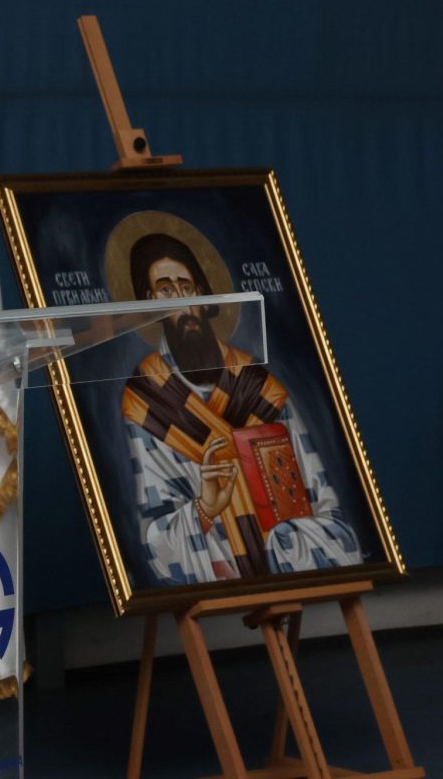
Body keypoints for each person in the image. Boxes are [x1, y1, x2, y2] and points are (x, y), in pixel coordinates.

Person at [118, 232, 361, 586]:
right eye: (166, 290)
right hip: (217, 562)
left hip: (284, 556)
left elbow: (322, 502)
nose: (183, 302)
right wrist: (204, 509)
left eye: (187, 287)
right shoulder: (148, 401)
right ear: (150, 302)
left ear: (202, 294)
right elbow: (156, 534)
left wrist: (283, 541)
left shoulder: (260, 389)